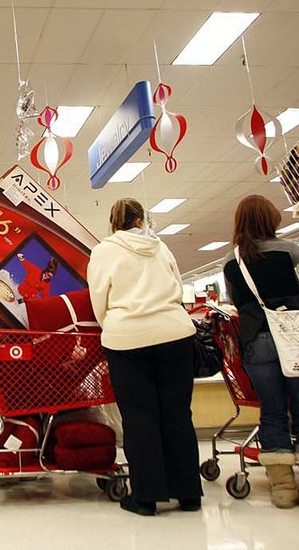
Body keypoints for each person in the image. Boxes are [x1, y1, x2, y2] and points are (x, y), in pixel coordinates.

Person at [87, 198, 201, 516]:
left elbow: (100, 297)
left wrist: (111, 323)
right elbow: (177, 286)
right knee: (177, 414)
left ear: (113, 222)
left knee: (139, 418)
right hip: (175, 333)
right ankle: (189, 493)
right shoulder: (161, 248)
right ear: (140, 221)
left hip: (127, 339)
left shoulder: (104, 250)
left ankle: (147, 497)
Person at [223, 195, 299, 509]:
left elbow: (236, 302)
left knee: (271, 412)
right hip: (297, 337)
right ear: (270, 219)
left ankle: (282, 488)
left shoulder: (232, 261)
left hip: (257, 340)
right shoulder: (291, 252)